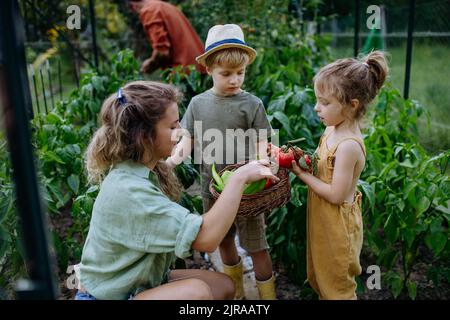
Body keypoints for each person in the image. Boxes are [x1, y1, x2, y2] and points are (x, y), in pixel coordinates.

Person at [73, 81, 278, 300]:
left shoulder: (139, 172)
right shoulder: (130, 191)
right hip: (109, 297)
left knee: (223, 286)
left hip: (136, 283)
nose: (180, 132)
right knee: (196, 293)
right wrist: (239, 178)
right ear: (144, 137)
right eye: (172, 127)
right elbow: (207, 239)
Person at [166, 24, 276, 300]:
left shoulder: (252, 104)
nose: (235, 80)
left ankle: (267, 296)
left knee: (256, 245)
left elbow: (263, 139)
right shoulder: (198, 105)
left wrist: (263, 160)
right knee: (223, 239)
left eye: (240, 73)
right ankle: (236, 293)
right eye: (226, 74)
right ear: (209, 70)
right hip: (212, 187)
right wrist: (173, 160)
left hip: (248, 189)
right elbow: (187, 140)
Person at [290, 51, 389, 299]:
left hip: (338, 227)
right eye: (317, 100)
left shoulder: (348, 146)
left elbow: (335, 194)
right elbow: (325, 168)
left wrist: (302, 174)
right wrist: (307, 160)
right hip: (323, 219)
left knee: (338, 286)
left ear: (351, 105)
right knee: (322, 276)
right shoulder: (332, 130)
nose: (316, 107)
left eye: (324, 102)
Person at [127, 0, 206, 74]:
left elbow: (162, 52)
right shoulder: (163, 6)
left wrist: (149, 64)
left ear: (132, 6)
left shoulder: (149, 11)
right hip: (200, 65)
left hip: (183, 72)